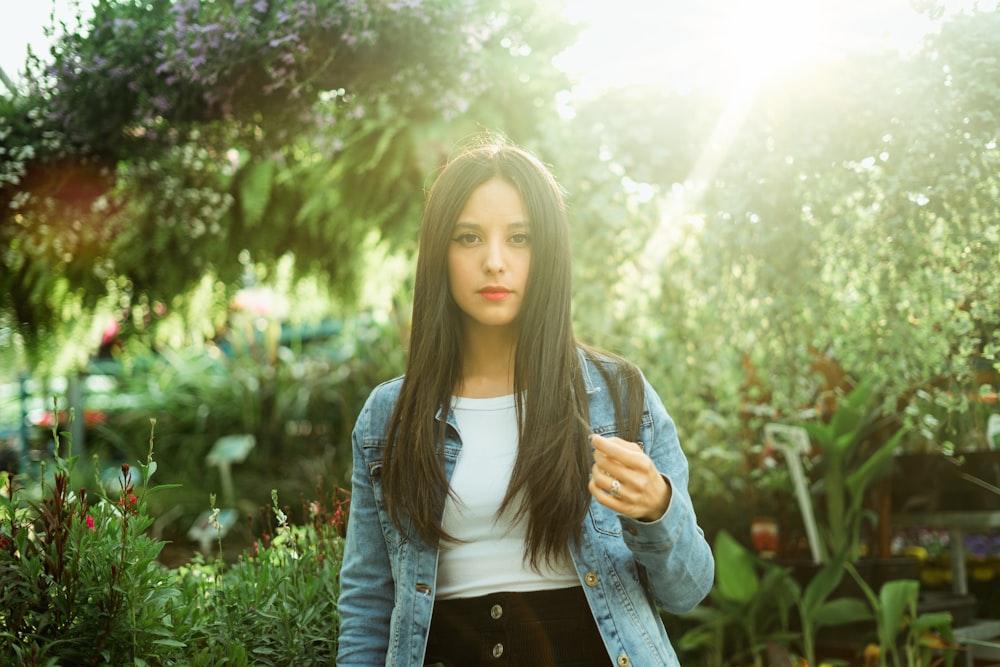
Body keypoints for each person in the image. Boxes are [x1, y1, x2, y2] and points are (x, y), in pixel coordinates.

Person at [336, 137, 714, 667]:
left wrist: (657, 508)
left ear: (549, 253)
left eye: (519, 238)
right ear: (439, 252)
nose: (494, 262)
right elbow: (367, 608)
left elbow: (689, 590)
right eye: (469, 237)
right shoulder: (388, 416)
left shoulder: (619, 393)